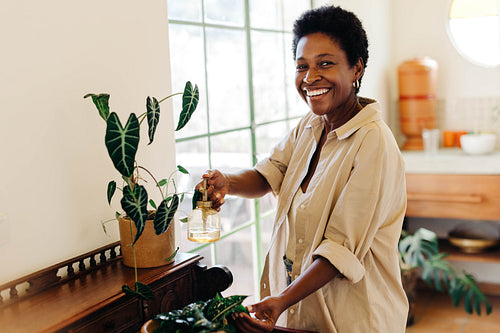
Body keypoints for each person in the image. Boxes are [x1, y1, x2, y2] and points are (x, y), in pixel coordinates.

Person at [198, 5, 408, 332]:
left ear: (356, 68)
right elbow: (269, 174)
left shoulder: (373, 143)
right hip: (305, 312)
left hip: (356, 318)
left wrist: (281, 300)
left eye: (325, 63)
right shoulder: (311, 125)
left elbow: (340, 249)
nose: (310, 78)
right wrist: (227, 182)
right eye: (302, 66)